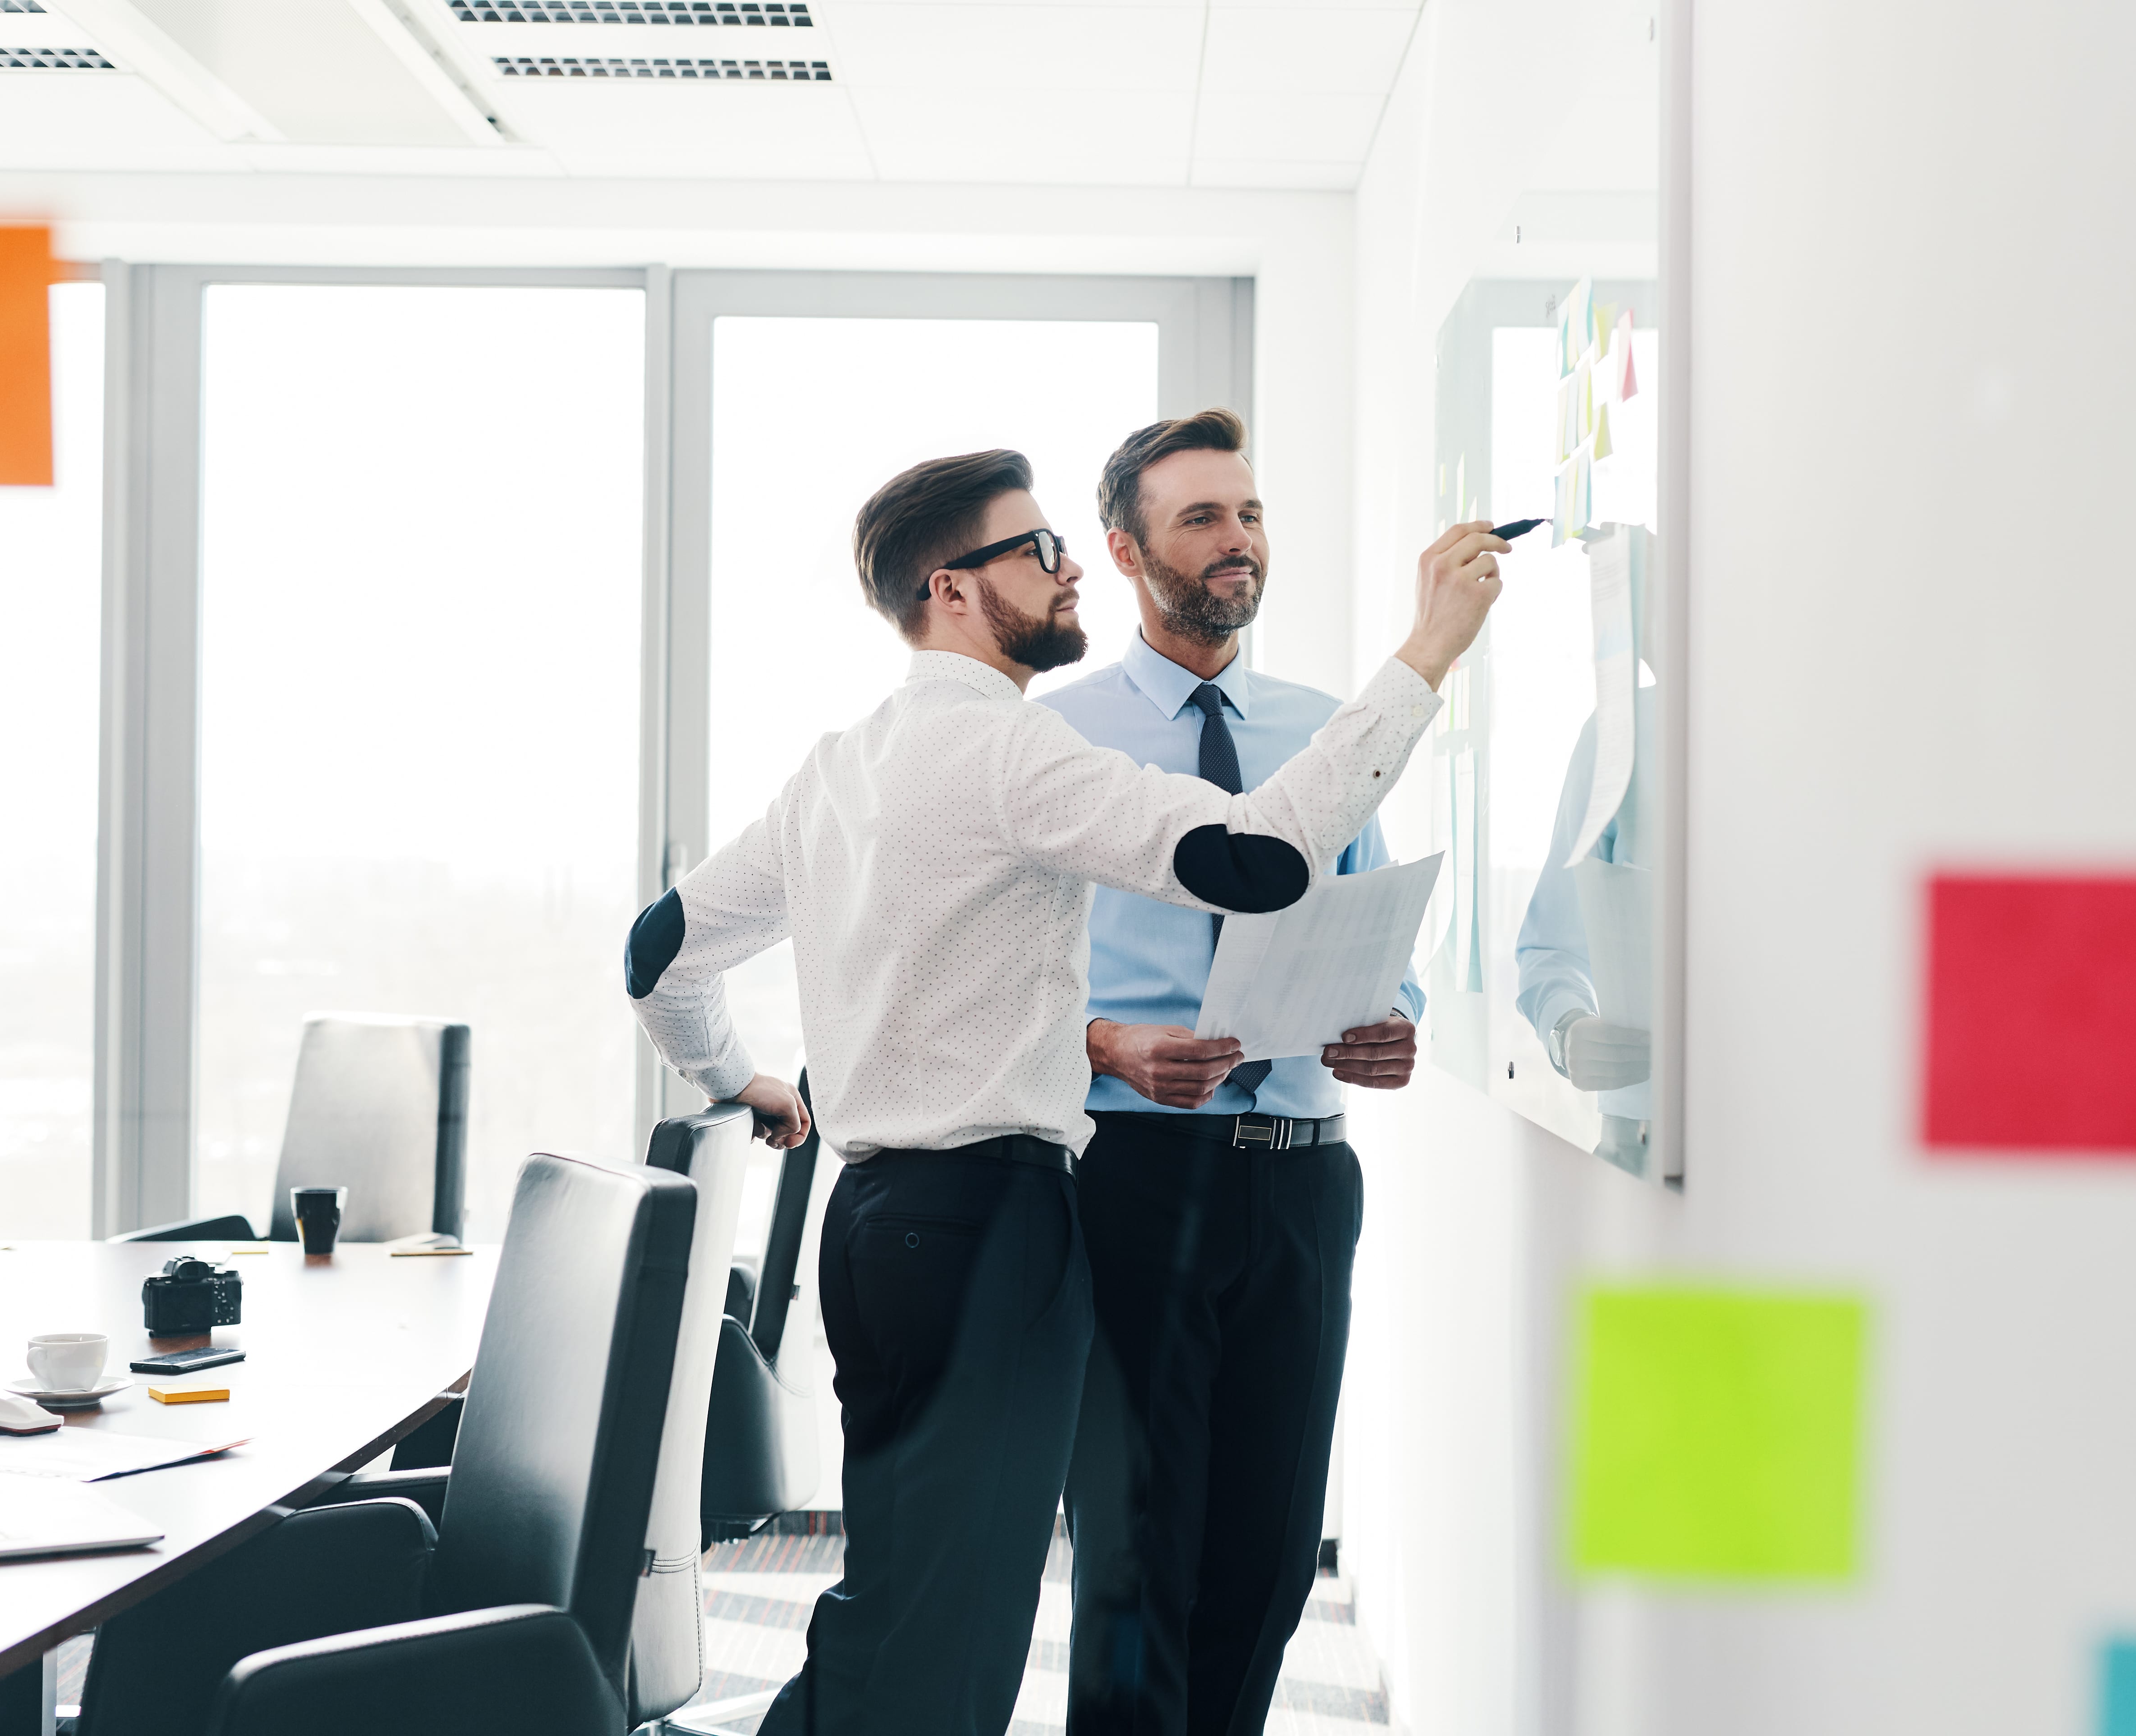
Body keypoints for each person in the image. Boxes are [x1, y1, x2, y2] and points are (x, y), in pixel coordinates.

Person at [624, 443, 1509, 1736]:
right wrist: (1428, 652)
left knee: (913, 1606)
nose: (1067, 566)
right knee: (947, 1638)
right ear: (953, 588)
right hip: (990, 1228)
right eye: (1038, 551)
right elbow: (1255, 861)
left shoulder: (845, 761)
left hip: (872, 1222)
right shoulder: (1009, 752)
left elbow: (659, 953)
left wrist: (737, 1078)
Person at [1036, 409, 1423, 1736]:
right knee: (1143, 1554)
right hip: (1134, 1171)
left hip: (1305, 1182)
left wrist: (1393, 1020)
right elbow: (997, 983)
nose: (1236, 542)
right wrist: (1104, 1043)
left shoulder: (1331, 735)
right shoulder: (1052, 738)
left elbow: (1376, 934)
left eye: (1249, 515)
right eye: (1201, 518)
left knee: (1266, 1554)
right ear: (1128, 549)